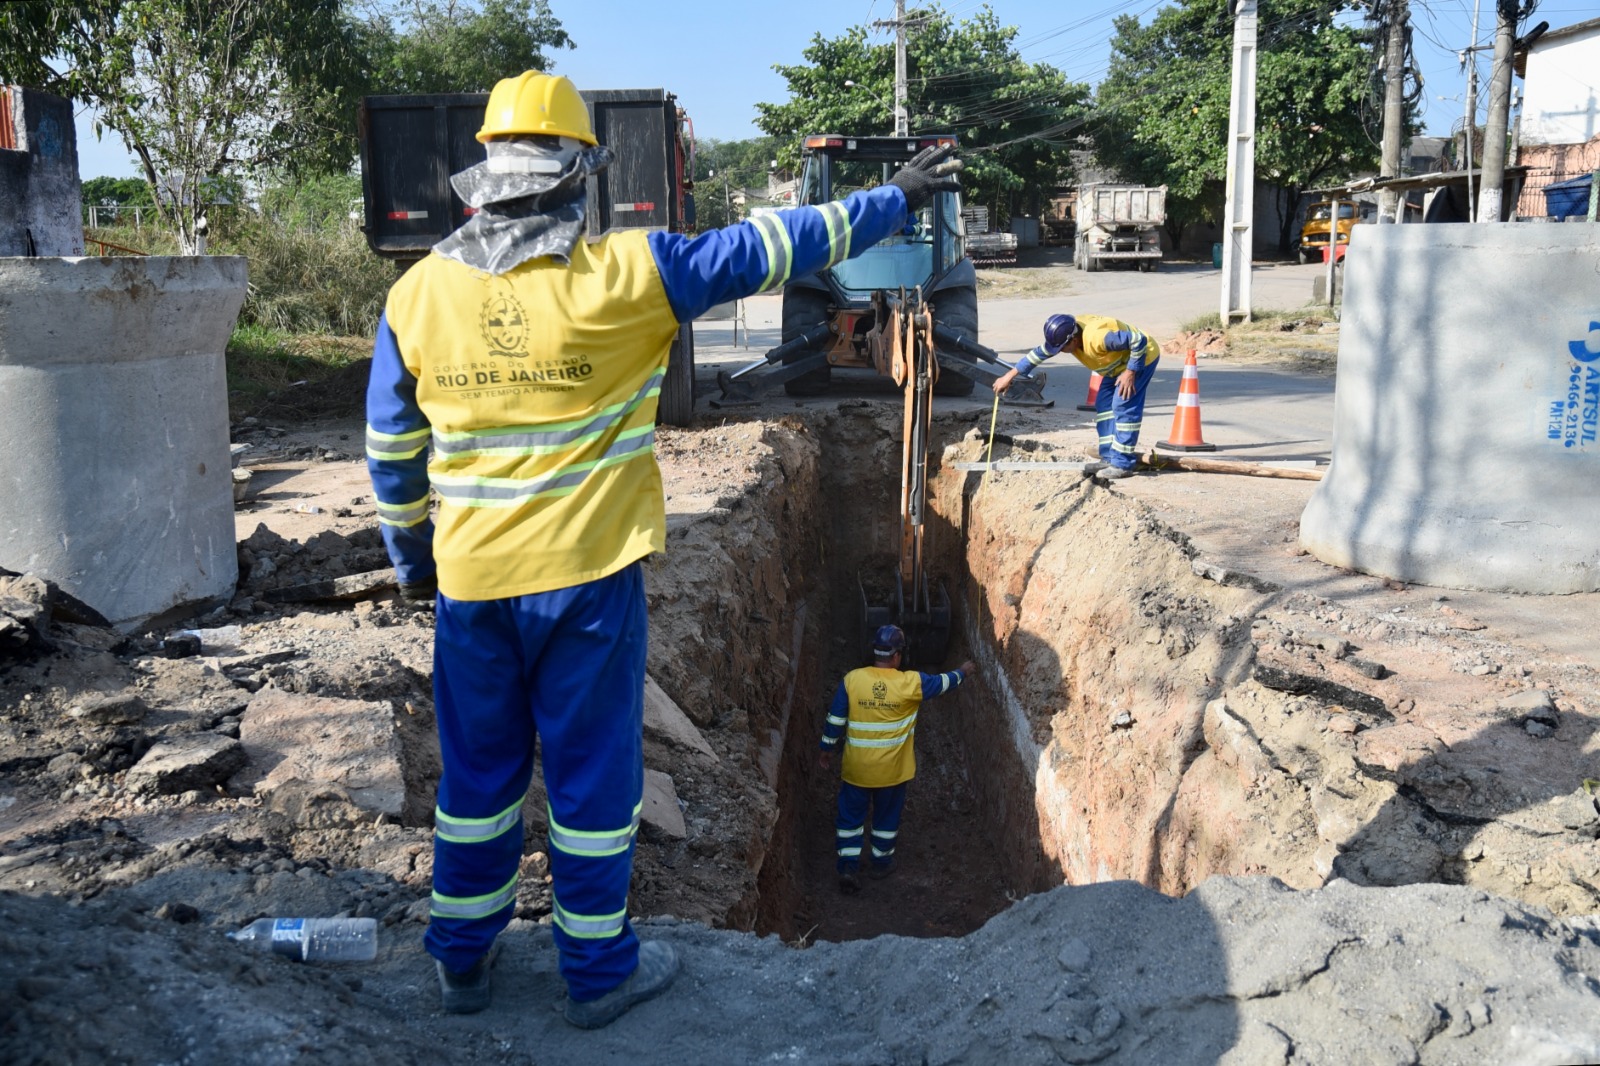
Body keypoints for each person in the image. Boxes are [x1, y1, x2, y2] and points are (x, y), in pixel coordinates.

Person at [365, 71, 962, 1026]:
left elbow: (391, 452)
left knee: (477, 783)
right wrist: (896, 198)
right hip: (587, 589)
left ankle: (460, 960)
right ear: (576, 183)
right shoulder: (630, 276)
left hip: (473, 588)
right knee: (593, 780)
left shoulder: (416, 296)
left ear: (482, 180)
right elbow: (774, 245)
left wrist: (412, 562)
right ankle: (597, 977)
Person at [817, 625, 976, 893]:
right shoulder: (910, 683)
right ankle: (881, 864)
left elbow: (835, 719)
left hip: (857, 770)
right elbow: (943, 683)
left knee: (850, 818)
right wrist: (963, 671)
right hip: (892, 773)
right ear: (897, 655)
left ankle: (847, 867)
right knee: (886, 819)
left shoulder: (852, 680)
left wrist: (826, 749)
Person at [992, 313, 1161, 480]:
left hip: (1140, 359)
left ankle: (1122, 464)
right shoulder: (1065, 335)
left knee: (1123, 404)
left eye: (1062, 349)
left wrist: (1131, 372)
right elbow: (1037, 354)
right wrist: (1009, 376)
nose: (1060, 352)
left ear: (1074, 340)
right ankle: (1109, 457)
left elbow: (1138, 340)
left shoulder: (1099, 338)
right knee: (1104, 406)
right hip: (1115, 365)